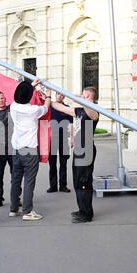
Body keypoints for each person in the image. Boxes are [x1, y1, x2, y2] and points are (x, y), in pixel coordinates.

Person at [51, 87, 100, 223]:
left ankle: (86, 214)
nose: (81, 96)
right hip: (78, 149)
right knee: (78, 181)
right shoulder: (79, 111)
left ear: (90, 97)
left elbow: (93, 115)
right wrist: (47, 98)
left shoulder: (94, 109)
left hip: (87, 149)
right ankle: (82, 209)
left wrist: (81, 100)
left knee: (84, 181)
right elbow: (60, 107)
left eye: (84, 95)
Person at [10, 79, 51, 221]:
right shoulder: (33, 110)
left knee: (16, 179)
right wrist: (49, 96)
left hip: (16, 149)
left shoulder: (13, 106)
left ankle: (14, 209)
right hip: (29, 150)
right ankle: (27, 211)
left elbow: (22, 94)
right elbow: (46, 108)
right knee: (29, 181)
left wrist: (30, 85)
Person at [47, 93, 73, 193]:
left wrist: (72, 138)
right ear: (55, 95)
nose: (60, 96)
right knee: (52, 163)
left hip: (64, 138)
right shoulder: (50, 107)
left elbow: (71, 124)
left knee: (63, 163)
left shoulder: (66, 108)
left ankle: (63, 186)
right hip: (52, 138)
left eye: (62, 95)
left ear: (64, 97)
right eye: (58, 94)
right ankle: (53, 186)